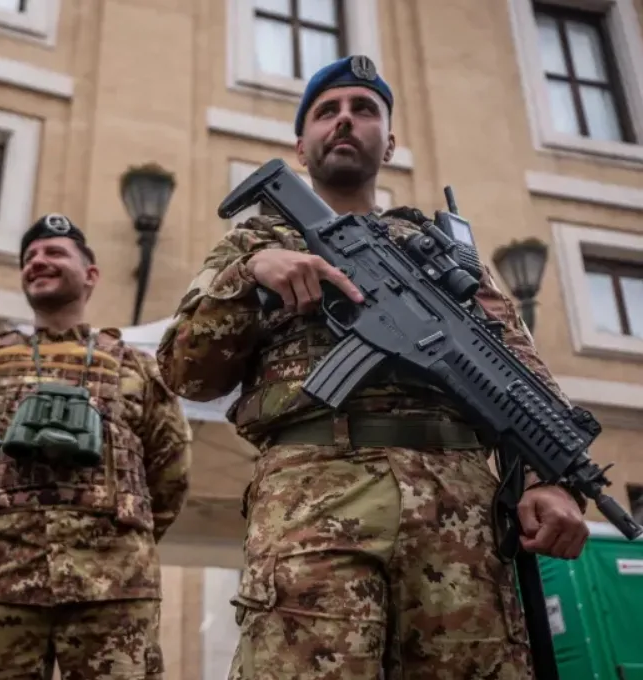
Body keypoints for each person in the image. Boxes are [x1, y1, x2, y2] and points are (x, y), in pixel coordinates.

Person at [156, 54, 590, 679]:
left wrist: (557, 482)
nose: (344, 122)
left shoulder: (449, 255)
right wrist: (250, 278)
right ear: (300, 145)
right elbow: (184, 373)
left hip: (459, 515)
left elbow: (525, 382)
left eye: (364, 110)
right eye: (326, 112)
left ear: (390, 142)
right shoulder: (252, 244)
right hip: (312, 498)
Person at [0, 214, 193, 680]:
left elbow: (171, 467)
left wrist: (121, 539)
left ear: (90, 275)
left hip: (114, 584)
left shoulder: (135, 368)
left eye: (54, 253)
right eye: (29, 258)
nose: (38, 262)